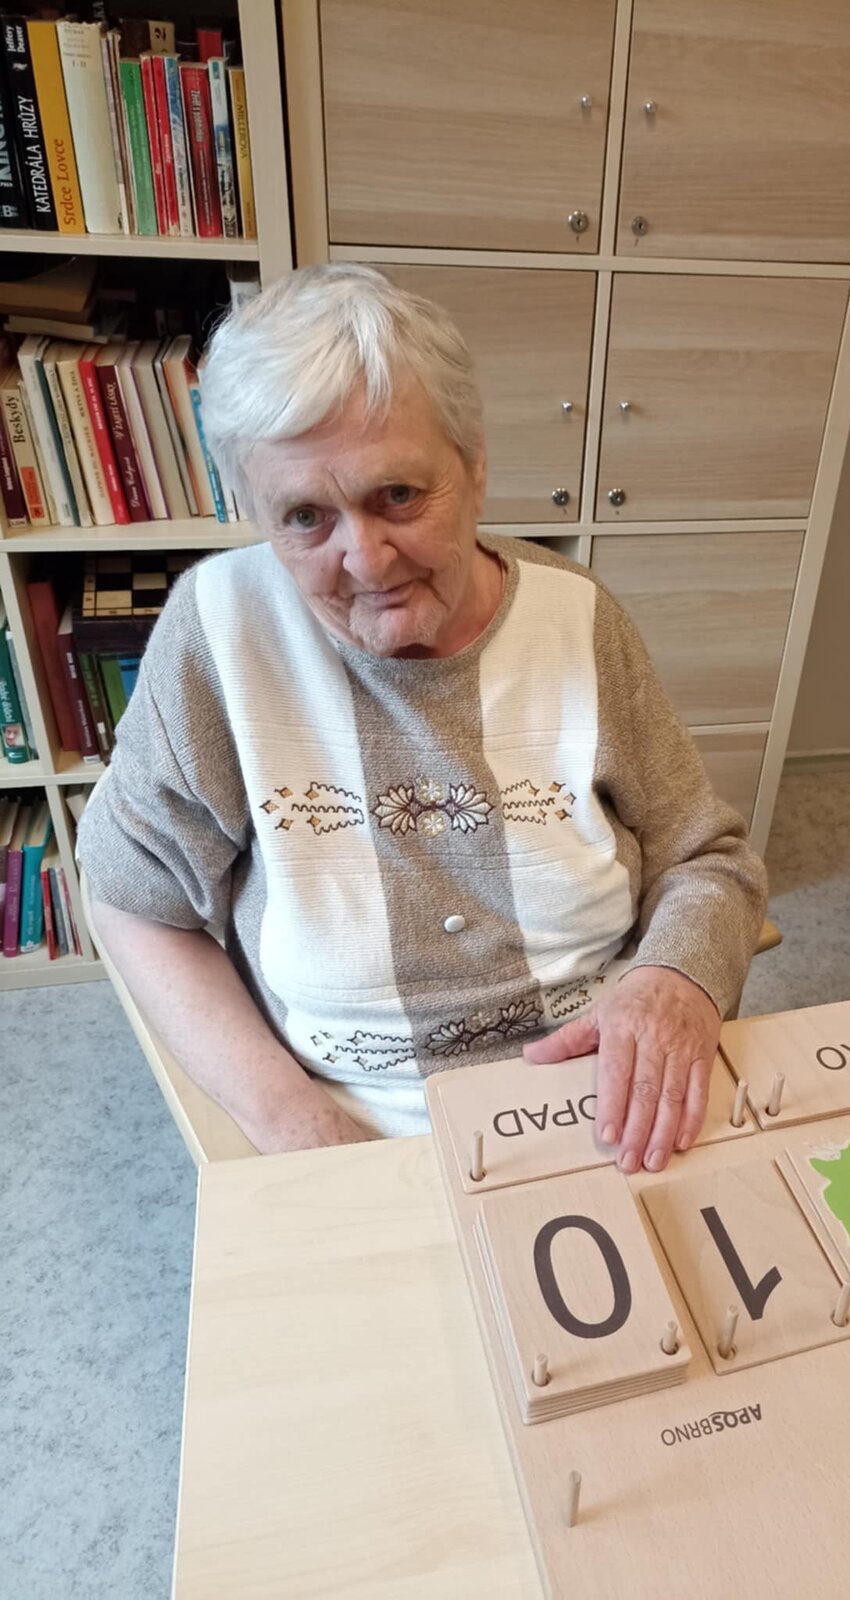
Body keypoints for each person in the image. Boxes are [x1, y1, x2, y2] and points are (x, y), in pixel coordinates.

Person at [77, 264, 767, 1170]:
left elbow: (705, 858)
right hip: (353, 1117)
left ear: (474, 468)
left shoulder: (577, 616)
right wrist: (294, 1124)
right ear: (254, 512)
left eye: (397, 495)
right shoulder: (217, 635)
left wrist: (674, 980)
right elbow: (135, 902)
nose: (366, 560)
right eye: (304, 516)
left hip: (604, 1091)